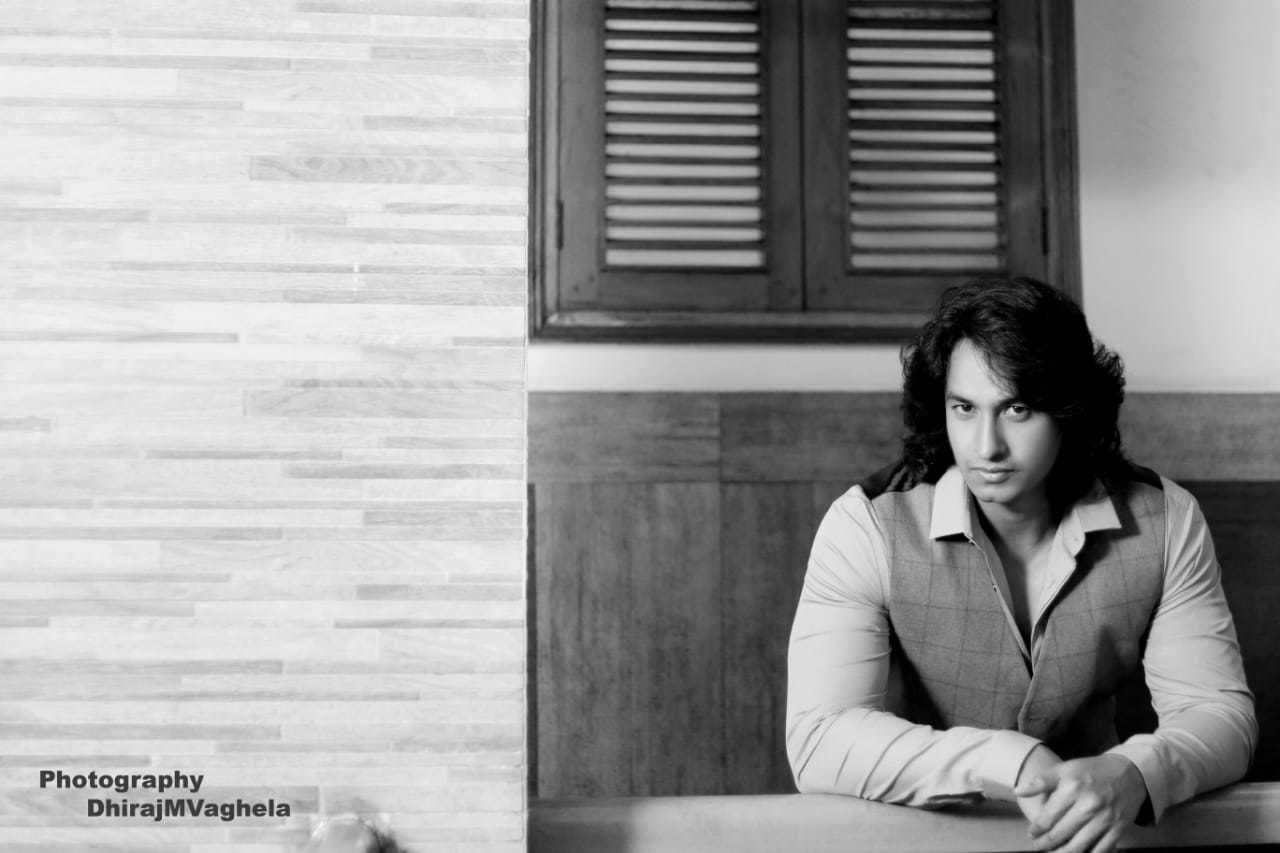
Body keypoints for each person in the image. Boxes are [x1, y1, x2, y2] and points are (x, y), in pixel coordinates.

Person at [786, 277, 1256, 853]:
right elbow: (819, 738)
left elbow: (1218, 714)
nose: (987, 446)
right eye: (964, 408)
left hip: (1095, 837)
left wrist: (1135, 771)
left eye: (1018, 408)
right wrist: (1008, 759)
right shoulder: (866, 524)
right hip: (927, 837)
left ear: (1069, 410)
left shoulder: (1166, 519)